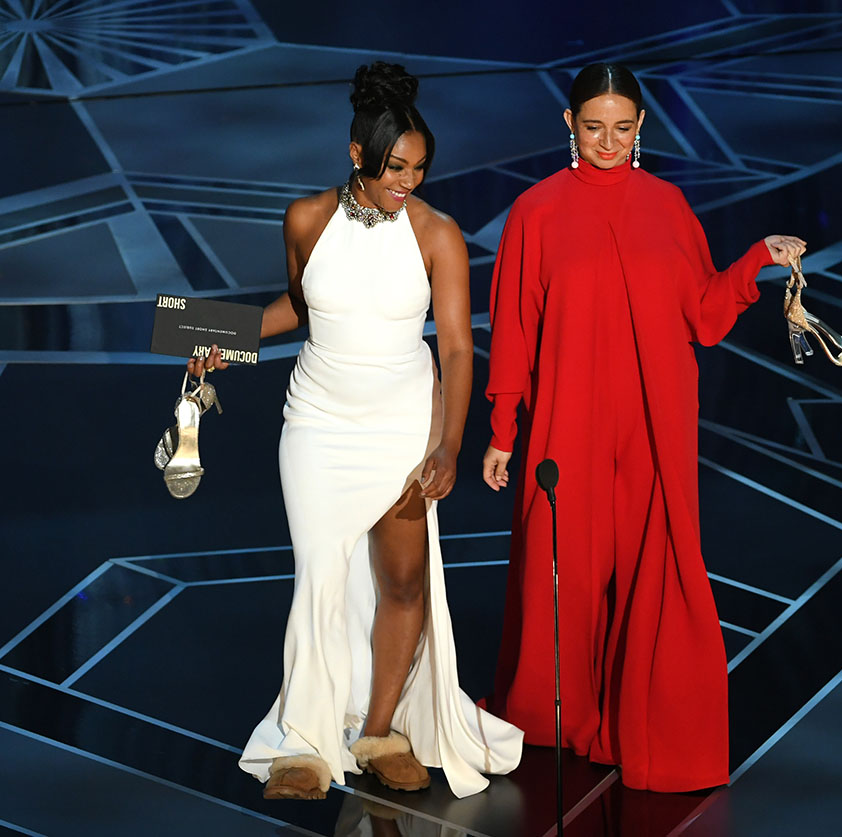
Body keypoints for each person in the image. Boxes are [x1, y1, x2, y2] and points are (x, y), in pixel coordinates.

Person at [193, 62, 522, 800]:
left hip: (403, 426)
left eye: (418, 168)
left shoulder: (437, 233)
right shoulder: (306, 219)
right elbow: (299, 309)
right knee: (320, 576)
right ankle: (305, 746)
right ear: (356, 156)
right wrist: (217, 333)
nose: (407, 181)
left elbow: (460, 347)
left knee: (403, 580)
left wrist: (449, 445)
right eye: (394, 167)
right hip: (316, 423)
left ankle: (379, 731)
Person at [481, 62, 805, 793]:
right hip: (568, 425)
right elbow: (514, 332)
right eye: (593, 126)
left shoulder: (667, 205)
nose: (607, 141)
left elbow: (703, 313)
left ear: (641, 127)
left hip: (655, 428)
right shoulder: (536, 212)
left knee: (656, 570)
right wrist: (505, 429)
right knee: (566, 572)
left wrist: (757, 259)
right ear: (569, 124)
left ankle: (647, 723)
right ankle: (557, 712)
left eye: (622, 128)